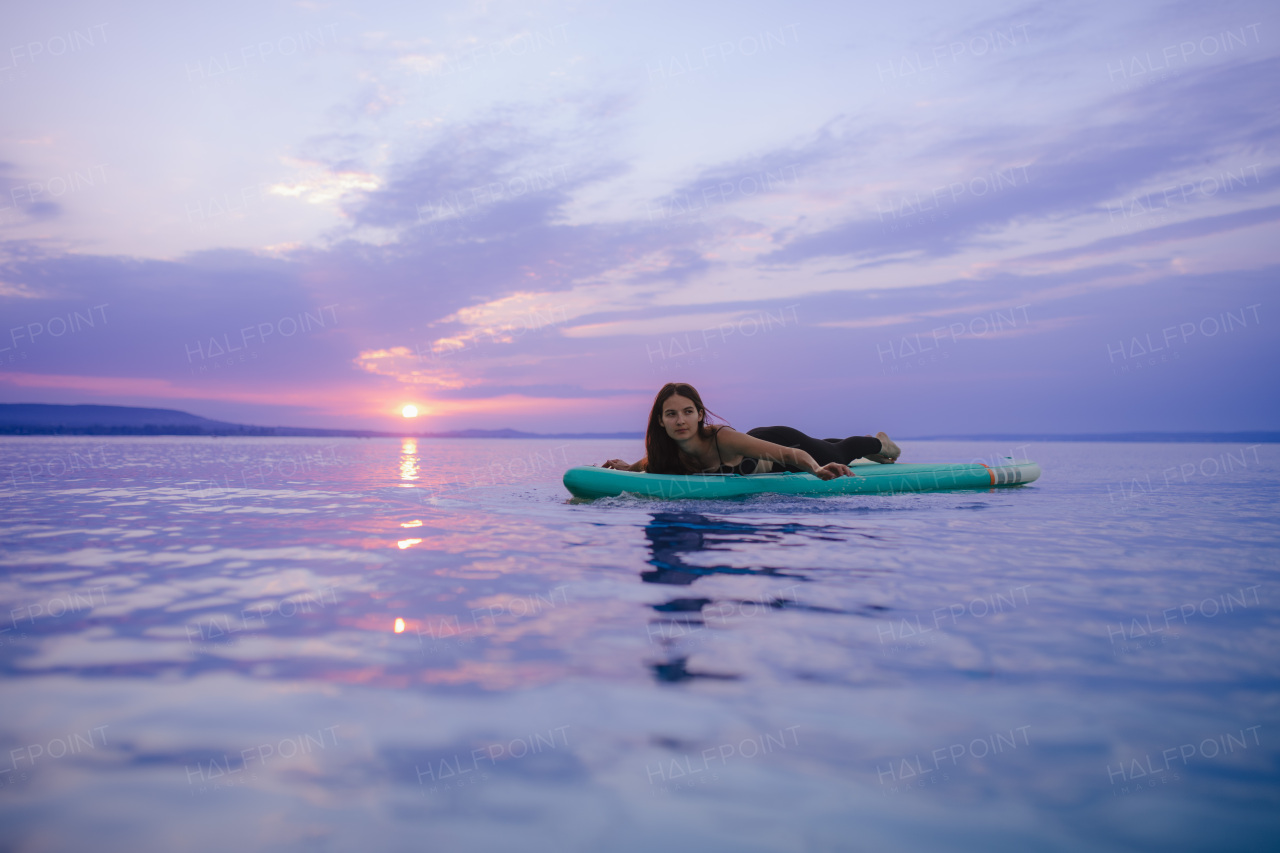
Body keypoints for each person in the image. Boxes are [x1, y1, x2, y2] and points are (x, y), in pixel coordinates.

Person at [602, 382, 901, 480]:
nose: (680, 420)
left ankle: (880, 444)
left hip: (780, 442)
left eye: (687, 412)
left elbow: (788, 453)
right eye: (671, 414)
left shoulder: (721, 438)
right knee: (826, 445)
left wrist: (816, 468)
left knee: (838, 453)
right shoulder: (666, 452)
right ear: (661, 421)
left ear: (700, 416)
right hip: (756, 445)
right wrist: (629, 467)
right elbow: (650, 462)